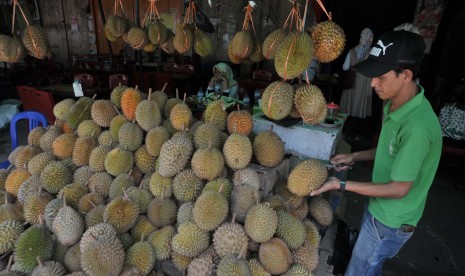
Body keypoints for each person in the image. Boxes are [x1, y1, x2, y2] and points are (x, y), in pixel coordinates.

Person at [311, 30, 443, 275]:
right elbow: (390, 150)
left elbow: (398, 189)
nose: (372, 83)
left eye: (380, 77)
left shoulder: (417, 128)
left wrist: (339, 185)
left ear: (406, 75)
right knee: (370, 266)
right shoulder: (393, 103)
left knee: (359, 271)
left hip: (390, 221)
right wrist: (355, 156)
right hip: (379, 210)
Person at [339, 28, 374, 119]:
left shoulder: (352, 51)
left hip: (352, 80)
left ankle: (348, 128)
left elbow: (345, 67)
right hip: (364, 82)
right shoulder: (373, 52)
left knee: (349, 105)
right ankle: (356, 130)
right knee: (360, 105)